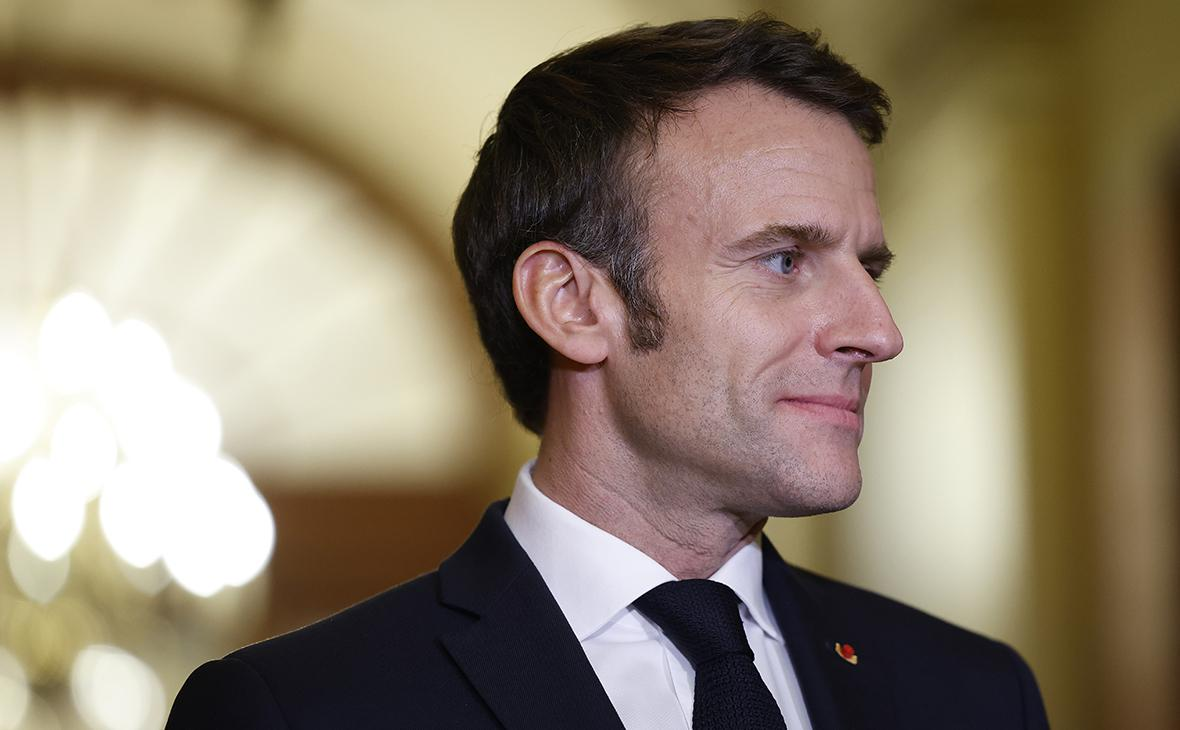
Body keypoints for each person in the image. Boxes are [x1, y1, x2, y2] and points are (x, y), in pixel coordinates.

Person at [167, 14, 1049, 729]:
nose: (879, 332)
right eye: (784, 260)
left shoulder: (974, 695)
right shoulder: (300, 711)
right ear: (572, 304)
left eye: (871, 269)